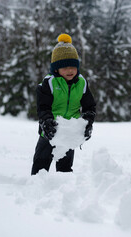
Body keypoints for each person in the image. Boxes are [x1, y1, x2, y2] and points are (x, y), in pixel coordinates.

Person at [31, 33, 96, 175]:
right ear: (56, 68)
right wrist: (47, 122)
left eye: (73, 66)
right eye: (65, 67)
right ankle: (36, 186)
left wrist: (87, 122)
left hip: (69, 132)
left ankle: (65, 189)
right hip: (49, 131)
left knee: (65, 167)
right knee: (41, 163)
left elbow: (89, 106)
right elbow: (43, 107)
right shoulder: (49, 83)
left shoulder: (82, 83)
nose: (70, 70)